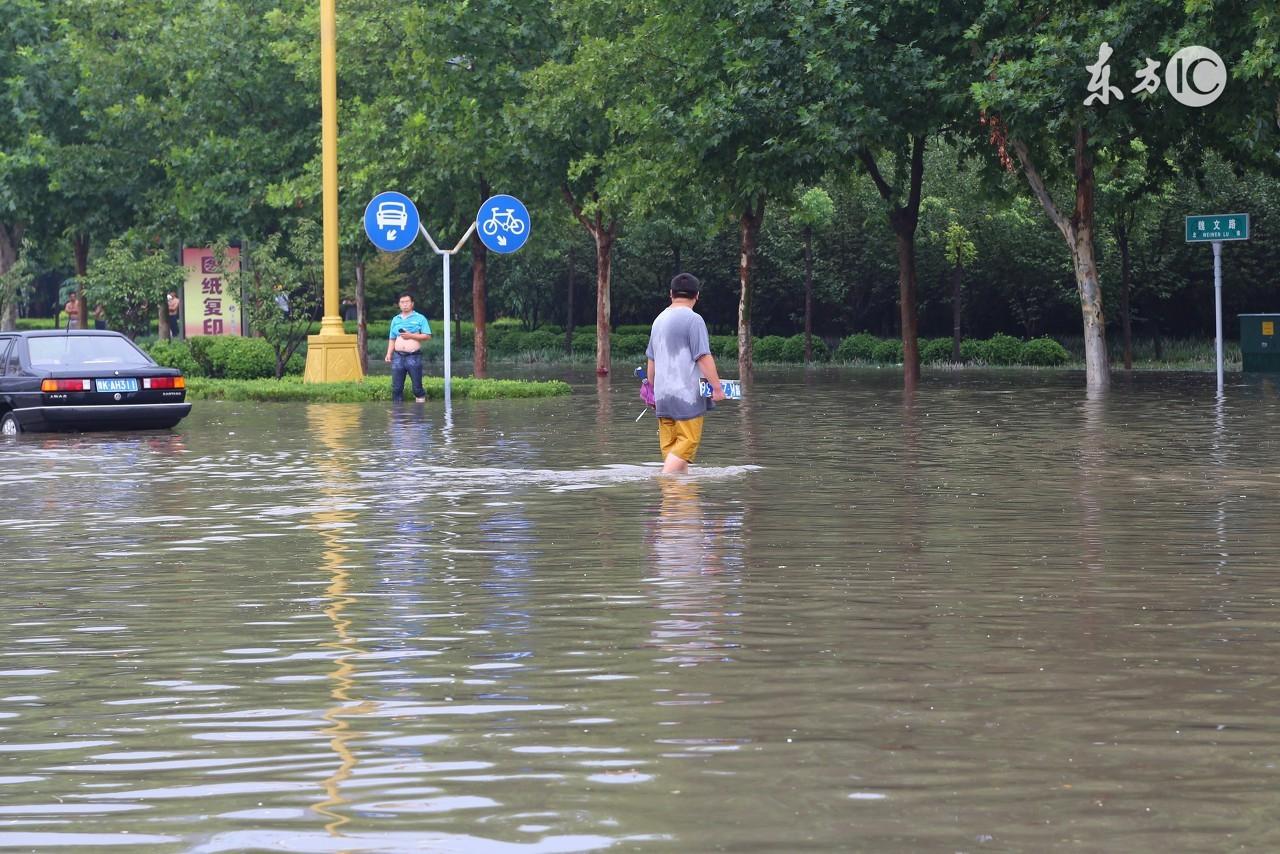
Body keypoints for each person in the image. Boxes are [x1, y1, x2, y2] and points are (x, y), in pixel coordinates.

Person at [645, 272, 726, 474]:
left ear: (671, 294)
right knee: (687, 442)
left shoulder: (658, 320)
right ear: (697, 295)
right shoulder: (694, 320)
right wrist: (717, 387)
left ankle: (675, 501)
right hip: (686, 396)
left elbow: (651, 361)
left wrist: (652, 389)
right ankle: (663, 480)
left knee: (672, 448)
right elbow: (703, 357)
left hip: (663, 396)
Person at [385, 293, 432, 403]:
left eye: (407, 302)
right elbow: (392, 338)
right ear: (399, 304)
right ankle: (398, 416)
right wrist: (389, 353)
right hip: (398, 356)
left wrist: (411, 336)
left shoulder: (420, 318)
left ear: (412, 304)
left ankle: (419, 414)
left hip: (413, 356)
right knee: (396, 388)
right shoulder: (395, 319)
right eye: (402, 302)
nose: (405, 304)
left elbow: (427, 335)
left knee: (417, 388)